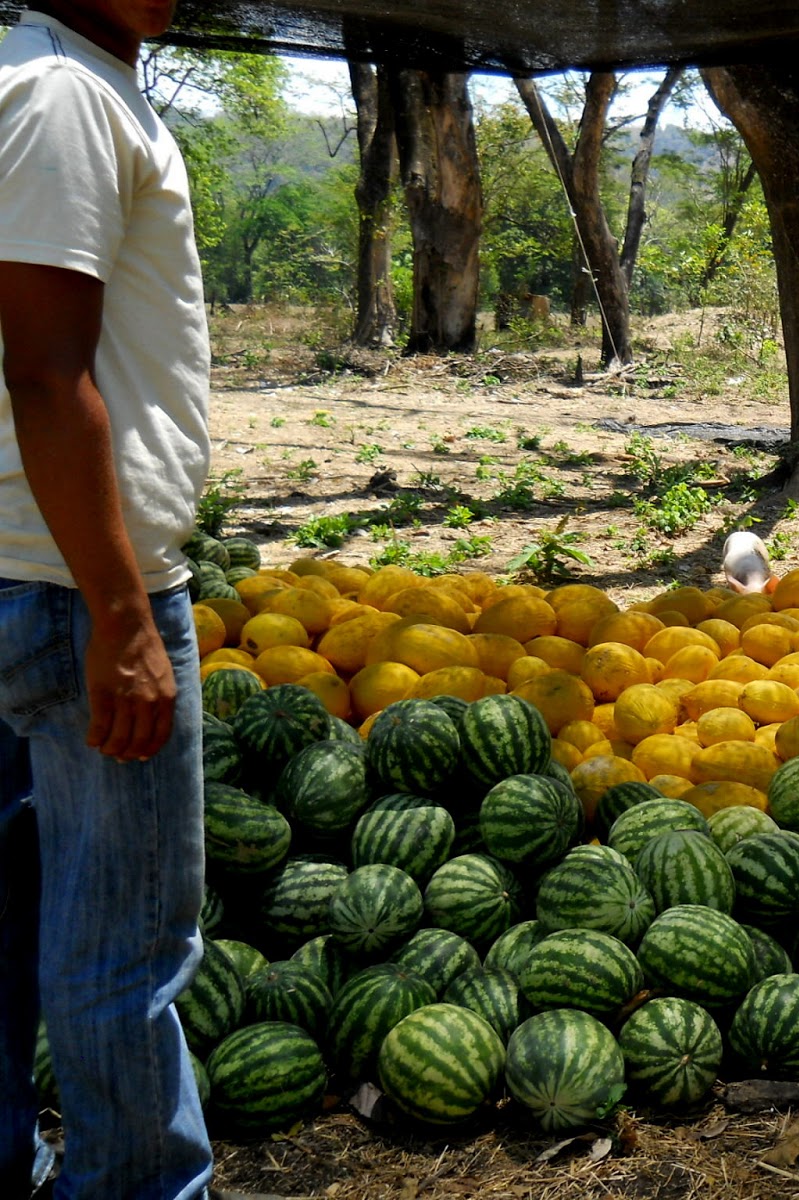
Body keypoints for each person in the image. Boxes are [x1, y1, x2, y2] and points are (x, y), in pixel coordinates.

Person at [0, 1, 214, 1197]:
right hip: (74, 586)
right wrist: (123, 614)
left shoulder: (69, 80)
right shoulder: (63, 94)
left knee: (23, 926)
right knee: (125, 948)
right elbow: (44, 368)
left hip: (42, 572)